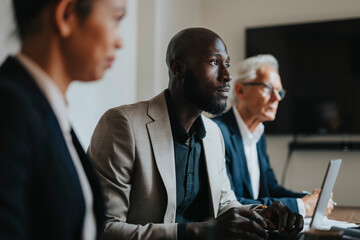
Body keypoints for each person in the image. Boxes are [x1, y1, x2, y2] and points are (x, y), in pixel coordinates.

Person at [88, 28, 303, 240]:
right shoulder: (122, 124)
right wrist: (201, 232)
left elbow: (225, 205)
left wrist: (264, 213)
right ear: (178, 68)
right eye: (214, 62)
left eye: (226, 64)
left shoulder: (213, 133)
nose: (227, 75)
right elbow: (103, 228)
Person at [0, 0, 126, 239]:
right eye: (116, 19)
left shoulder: (44, 109)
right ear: (66, 15)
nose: (120, 41)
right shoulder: (10, 110)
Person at [212, 54, 334, 217]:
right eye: (268, 88)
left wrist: (309, 199)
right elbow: (230, 203)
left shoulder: (258, 134)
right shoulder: (217, 132)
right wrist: (301, 206)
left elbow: (272, 189)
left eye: (279, 91)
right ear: (240, 91)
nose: (277, 98)